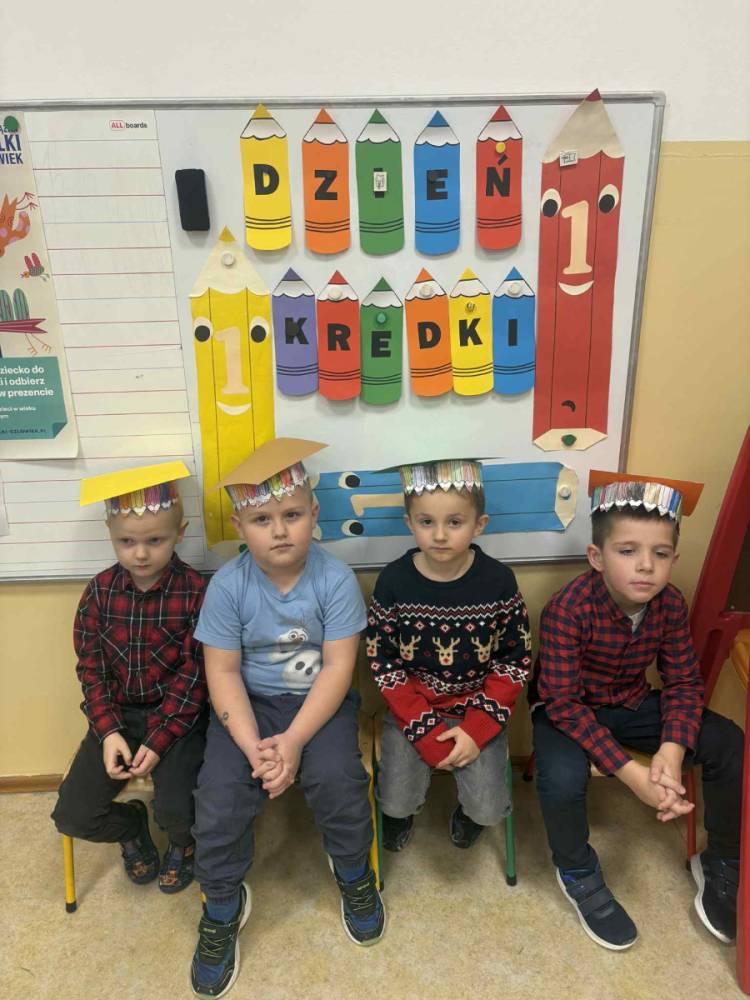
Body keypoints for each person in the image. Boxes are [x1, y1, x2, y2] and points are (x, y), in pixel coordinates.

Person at [189, 438, 384, 1000]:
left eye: (292, 515)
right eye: (262, 520)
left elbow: (339, 669)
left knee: (339, 780)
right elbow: (222, 672)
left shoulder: (334, 580)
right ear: (239, 526)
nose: (279, 531)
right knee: (219, 797)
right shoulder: (228, 586)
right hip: (246, 708)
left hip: (317, 704)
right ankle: (222, 905)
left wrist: (294, 741)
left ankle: (354, 873)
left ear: (314, 514)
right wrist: (254, 746)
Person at [531, 471, 743, 950]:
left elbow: (683, 682)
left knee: (727, 740)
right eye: (628, 551)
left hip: (630, 700)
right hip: (567, 710)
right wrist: (632, 775)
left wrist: (671, 750)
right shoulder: (567, 608)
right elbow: (562, 704)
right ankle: (576, 869)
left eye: (660, 554)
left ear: (673, 559)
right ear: (597, 557)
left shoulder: (669, 604)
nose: (646, 566)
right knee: (561, 777)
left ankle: (721, 859)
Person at [52, 461, 208, 894]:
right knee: (73, 816)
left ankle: (182, 844)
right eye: (127, 541)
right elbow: (92, 669)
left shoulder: (196, 592)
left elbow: (196, 677)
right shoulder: (99, 592)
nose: (140, 553)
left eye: (155, 540)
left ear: (180, 533)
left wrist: (158, 740)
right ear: (110, 534)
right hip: (117, 718)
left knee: (178, 811)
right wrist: (108, 733)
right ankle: (131, 826)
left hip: (177, 720)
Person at [367, 459, 532, 852]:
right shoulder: (392, 582)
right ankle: (402, 814)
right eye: (426, 522)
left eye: (455, 522)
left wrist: (477, 729)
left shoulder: (499, 582)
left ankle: (469, 814)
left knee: (489, 810)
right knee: (394, 802)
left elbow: (514, 662)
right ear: (409, 523)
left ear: (479, 524)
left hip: (478, 706)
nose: (439, 535)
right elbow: (384, 663)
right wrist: (422, 728)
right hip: (413, 706)